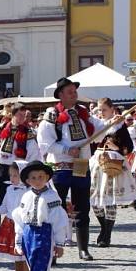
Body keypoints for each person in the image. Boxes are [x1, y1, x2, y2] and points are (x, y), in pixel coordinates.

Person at [38, 78, 110, 261]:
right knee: (56, 208)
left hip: (80, 165)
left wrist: (112, 122)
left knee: (82, 207)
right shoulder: (52, 115)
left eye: (74, 91)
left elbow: (99, 129)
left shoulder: (83, 113)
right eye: (70, 91)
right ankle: (53, 249)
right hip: (60, 167)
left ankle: (83, 248)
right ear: (60, 95)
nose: (74, 94)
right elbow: (45, 143)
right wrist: (66, 150)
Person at [11, 161, 70, 271]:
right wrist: (19, 239)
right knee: (34, 268)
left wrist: (59, 243)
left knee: (40, 268)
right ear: (28, 180)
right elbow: (19, 219)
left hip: (45, 234)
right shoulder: (26, 196)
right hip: (28, 234)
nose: (37, 180)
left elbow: (59, 220)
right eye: (33, 177)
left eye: (41, 177)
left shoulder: (52, 197)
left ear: (47, 178)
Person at [0, 103, 40, 244]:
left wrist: (27, 169)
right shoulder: (1, 128)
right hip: (1, 168)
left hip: (17, 168)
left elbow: (33, 153)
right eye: (19, 115)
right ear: (13, 114)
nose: (22, 118)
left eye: (24, 115)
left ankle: (18, 231)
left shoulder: (28, 133)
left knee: (18, 201)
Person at [89, 98, 136, 248]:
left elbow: (128, 147)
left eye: (104, 110)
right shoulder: (98, 124)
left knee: (110, 200)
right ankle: (103, 228)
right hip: (97, 163)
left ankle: (107, 235)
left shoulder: (120, 125)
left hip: (113, 164)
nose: (101, 113)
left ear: (111, 109)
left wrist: (115, 147)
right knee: (94, 200)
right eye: (99, 110)